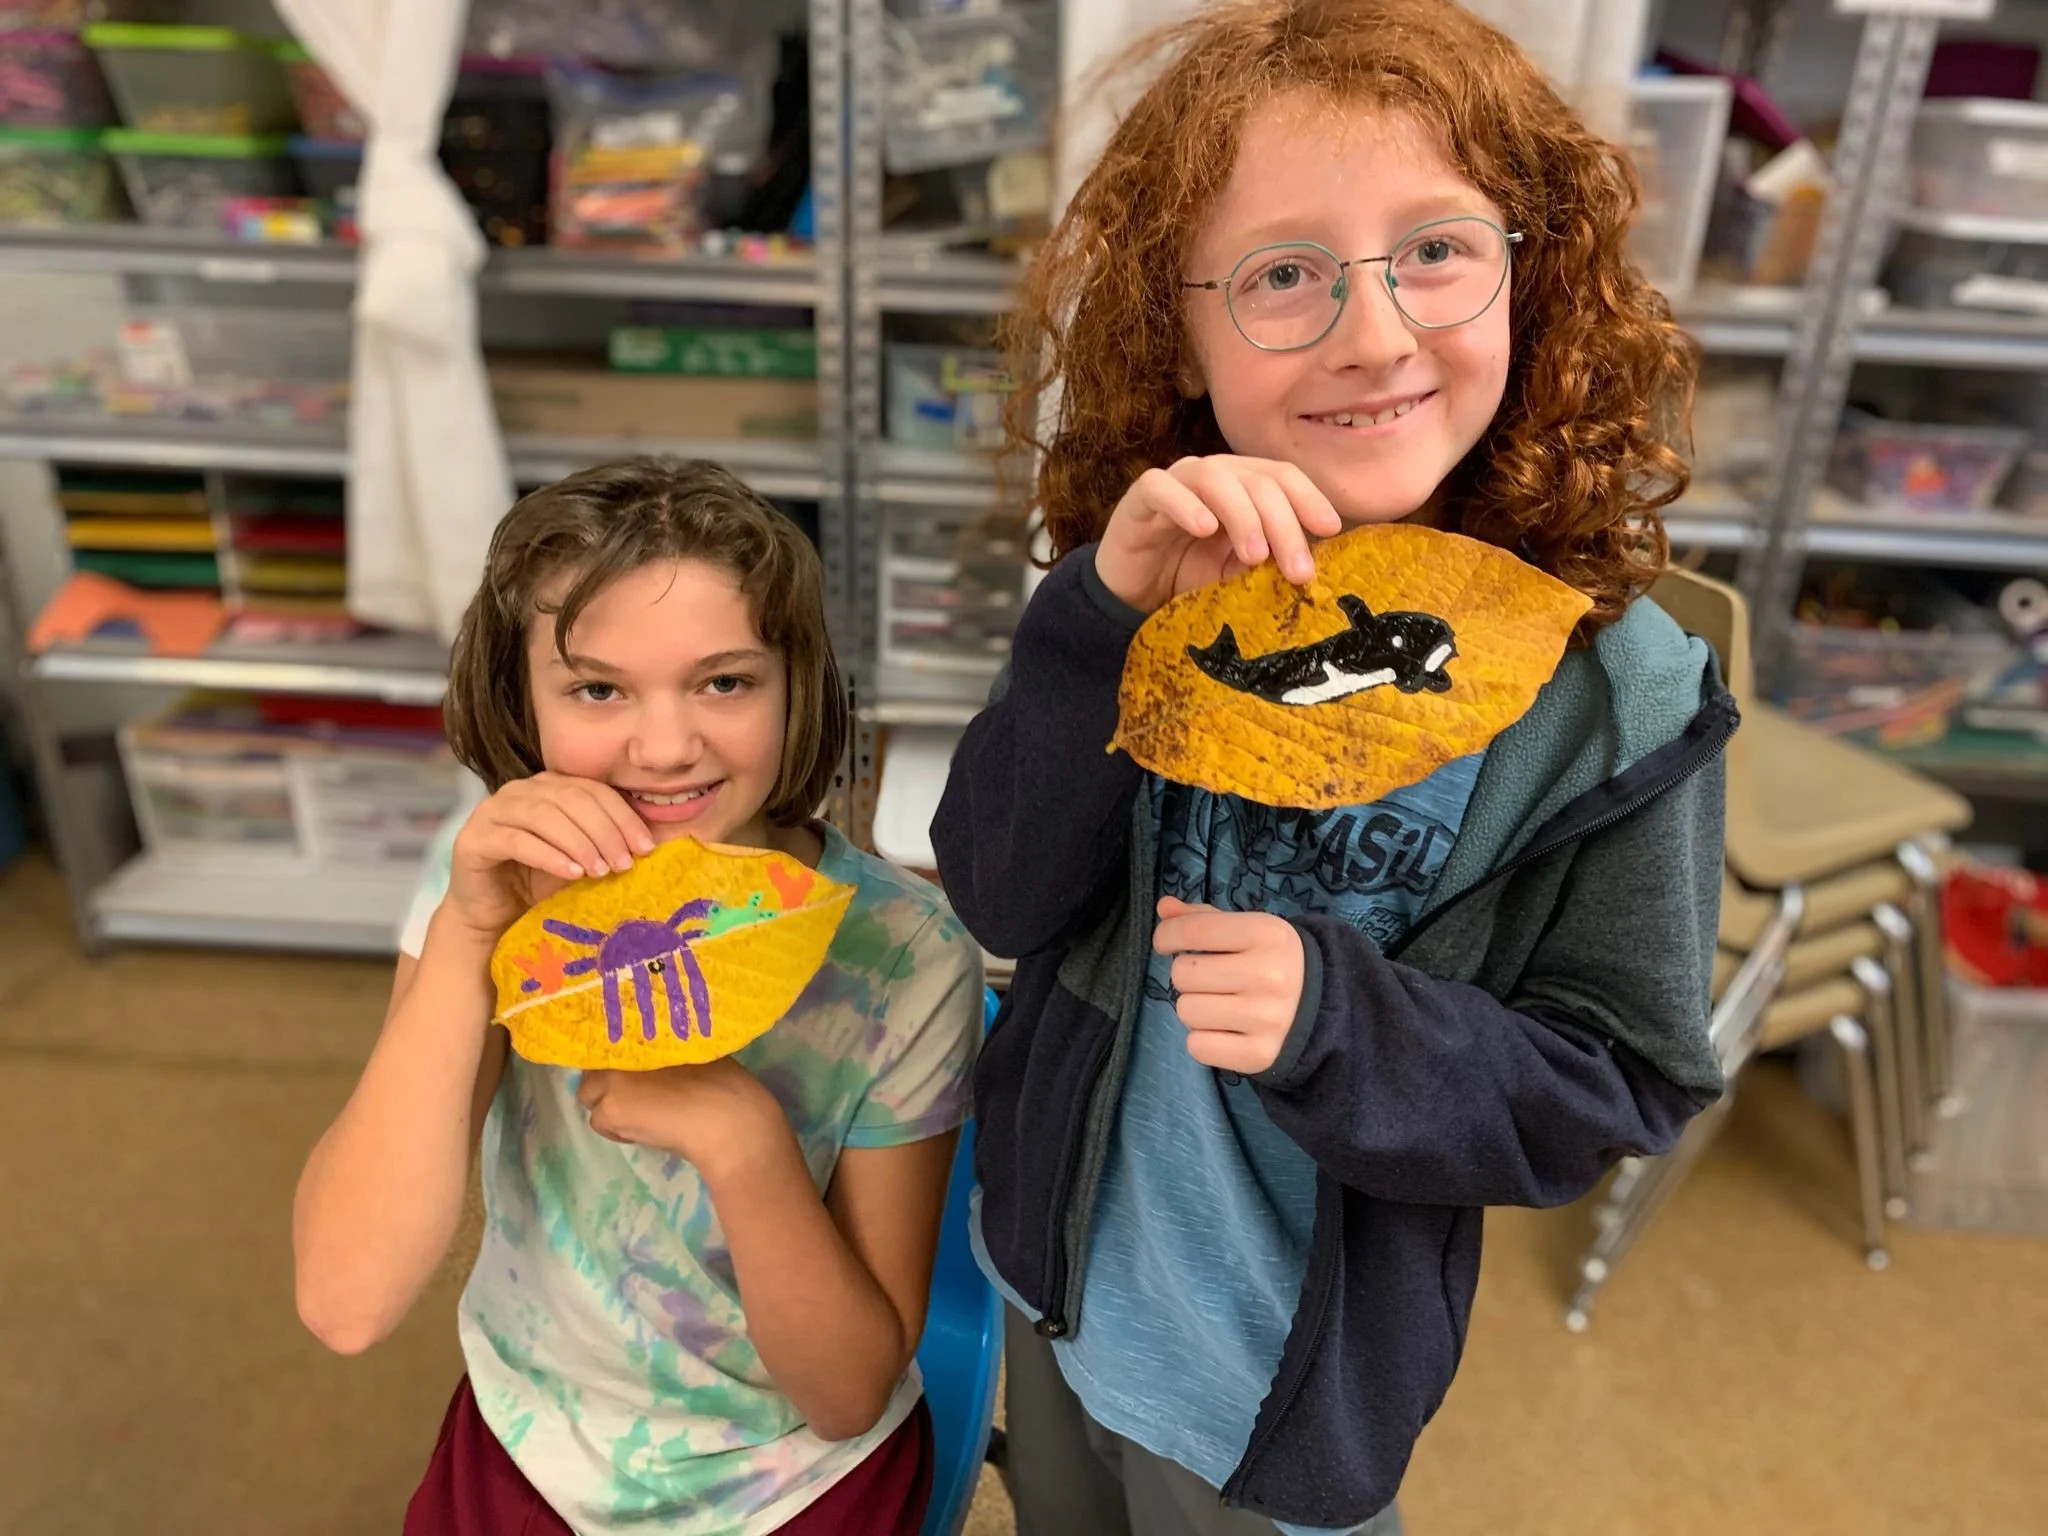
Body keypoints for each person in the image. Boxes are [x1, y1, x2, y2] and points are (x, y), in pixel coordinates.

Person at [932, 3, 1735, 1534]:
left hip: (1278, 1393)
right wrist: (1095, 618)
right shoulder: (1161, 589)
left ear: (1532, 267)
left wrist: (1340, 1021)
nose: (1371, 333)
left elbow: (1615, 1082)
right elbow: (1002, 887)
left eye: (1434, 249)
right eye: (1283, 274)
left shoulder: (1617, 702)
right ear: (1179, 330)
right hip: (1046, 1284)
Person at [293, 458, 984, 1536]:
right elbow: (346, 1299)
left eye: (724, 681)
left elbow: (847, 1395)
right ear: (522, 698)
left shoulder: (901, 954)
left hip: (792, 1480)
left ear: (796, 683)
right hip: (532, 1437)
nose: (664, 749)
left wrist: (746, 1143)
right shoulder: (484, 884)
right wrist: (471, 929)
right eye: (597, 689)